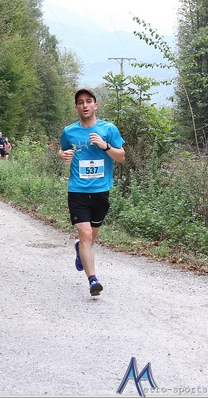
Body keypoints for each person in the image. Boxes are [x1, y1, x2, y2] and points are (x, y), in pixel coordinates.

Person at [59, 88, 125, 296]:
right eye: (81, 102)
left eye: (88, 101)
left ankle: (80, 248)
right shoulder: (69, 131)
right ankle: (93, 280)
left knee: (89, 239)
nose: (85, 105)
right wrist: (63, 154)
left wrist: (105, 146)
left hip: (101, 191)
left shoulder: (109, 129)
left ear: (95, 105)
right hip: (77, 191)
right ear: (76, 107)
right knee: (86, 234)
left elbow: (121, 156)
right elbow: (62, 149)